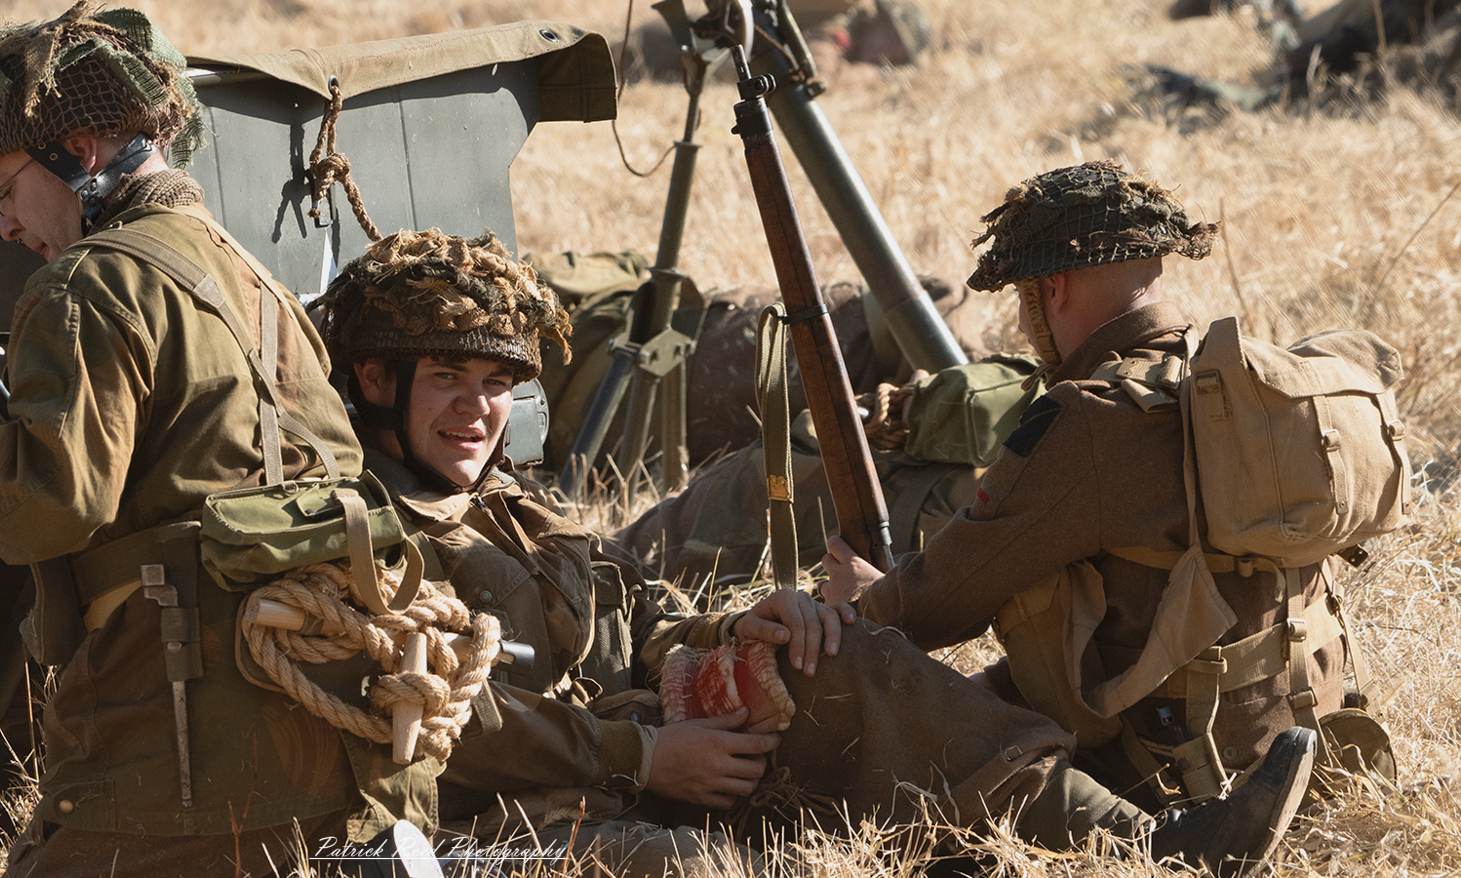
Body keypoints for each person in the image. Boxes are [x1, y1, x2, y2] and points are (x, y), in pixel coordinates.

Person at [312, 228, 1320, 877]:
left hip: (640, 750)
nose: (477, 409)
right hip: (492, 822)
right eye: (446, 376)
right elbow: (443, 723)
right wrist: (645, 752)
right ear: (371, 378)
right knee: (687, 869)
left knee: (835, 649)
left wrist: (736, 625)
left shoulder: (505, 507)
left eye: (495, 383)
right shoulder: (357, 537)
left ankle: (1139, 845)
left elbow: (631, 611)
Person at [0, 4, 376, 874]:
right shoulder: (248, 273)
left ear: (82, 147)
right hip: (320, 738)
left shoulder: (89, 284)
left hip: (179, 752)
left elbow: (51, 506)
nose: (4, 226)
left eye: (2, 189)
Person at [824, 160, 1360, 817]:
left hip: (1171, 775)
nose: (1024, 327)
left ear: (1054, 288)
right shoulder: (1239, 382)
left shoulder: (1092, 416)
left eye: (1024, 299)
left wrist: (867, 601)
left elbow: (947, 596)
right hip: (1300, 742)